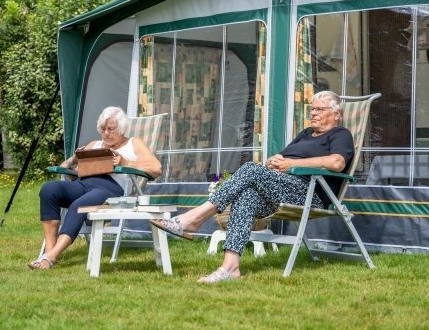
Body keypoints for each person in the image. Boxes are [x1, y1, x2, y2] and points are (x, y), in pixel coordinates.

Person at [151, 90, 354, 283]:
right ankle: (230, 268)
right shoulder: (307, 133)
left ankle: (195, 218)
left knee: (250, 168)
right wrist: (274, 160)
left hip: (310, 192)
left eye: (320, 109)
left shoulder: (340, 134)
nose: (313, 113)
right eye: (312, 108)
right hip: (281, 187)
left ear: (336, 114)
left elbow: (337, 162)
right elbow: (284, 156)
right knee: (247, 195)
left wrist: (291, 164)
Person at [28, 106, 162, 270]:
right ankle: (48, 252)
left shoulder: (134, 143)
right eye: (103, 129)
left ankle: (52, 257)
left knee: (79, 205)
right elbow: (65, 166)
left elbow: (156, 168)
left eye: (111, 129)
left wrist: (125, 162)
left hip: (111, 189)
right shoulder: (94, 144)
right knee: (49, 189)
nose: (106, 133)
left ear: (121, 129)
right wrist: (74, 160)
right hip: (82, 184)